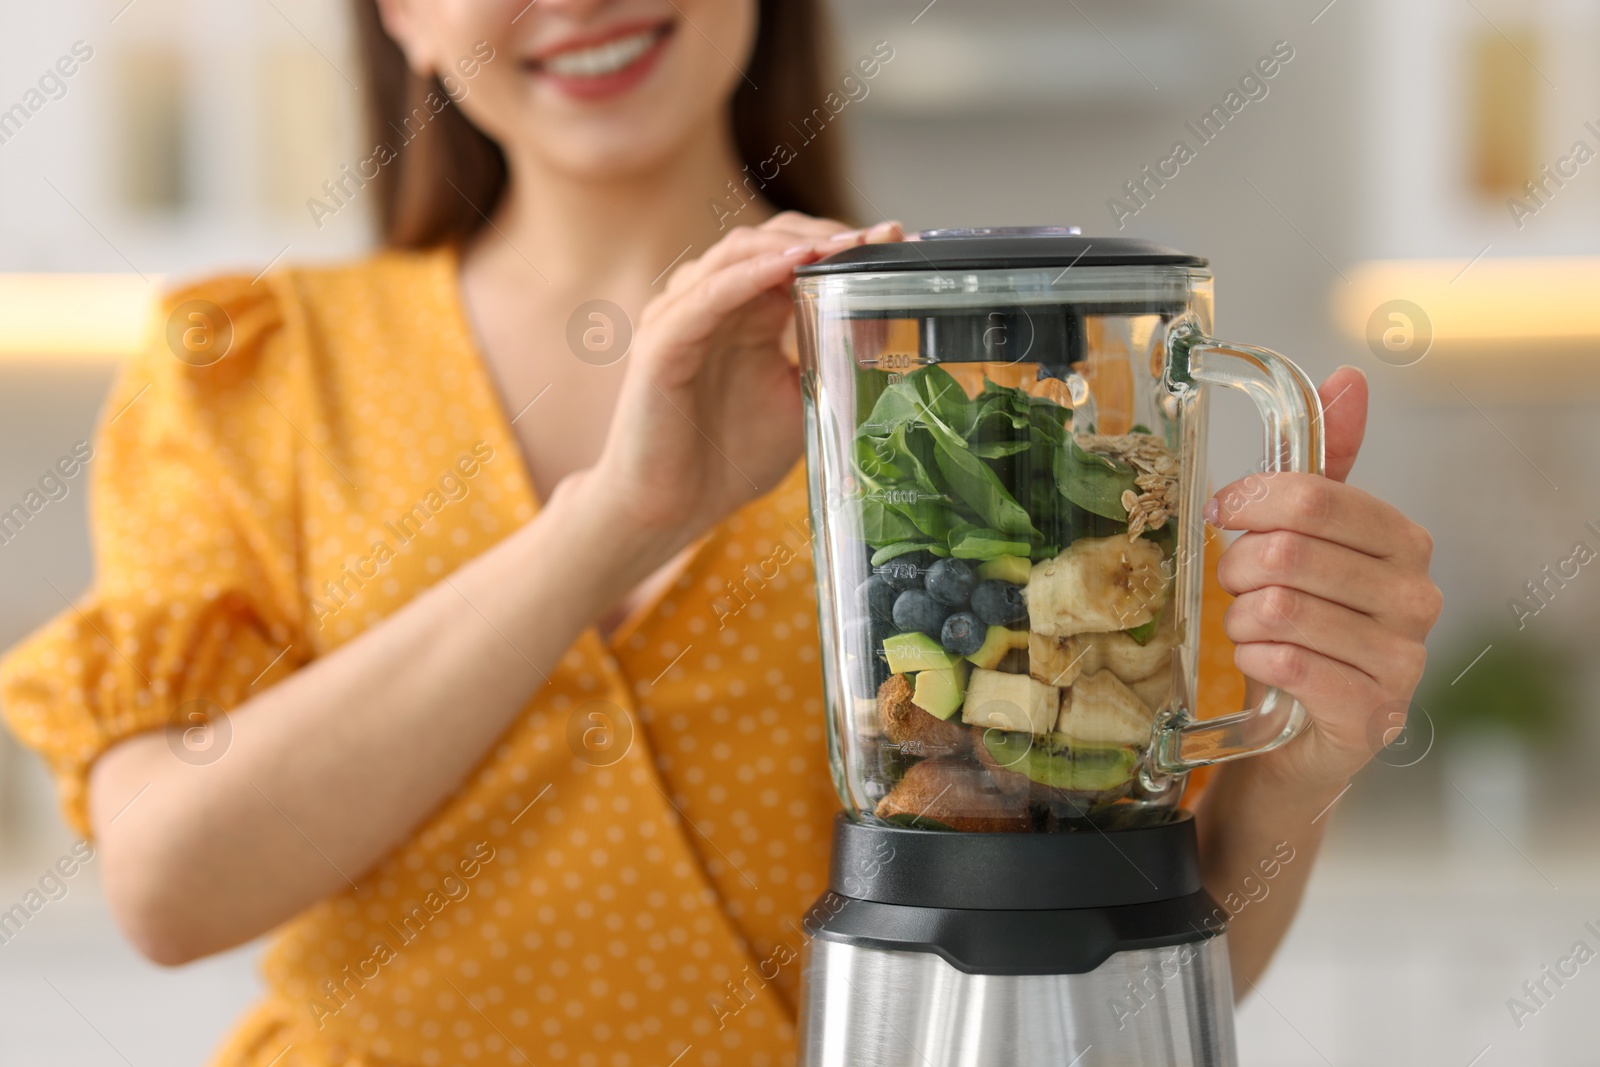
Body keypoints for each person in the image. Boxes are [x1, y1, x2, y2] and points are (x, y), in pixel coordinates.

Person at [0, 1, 1441, 1065]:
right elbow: (170, 885)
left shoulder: (977, 380)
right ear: (403, 19)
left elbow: (1099, 979)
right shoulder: (249, 369)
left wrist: (1302, 774)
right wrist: (616, 524)